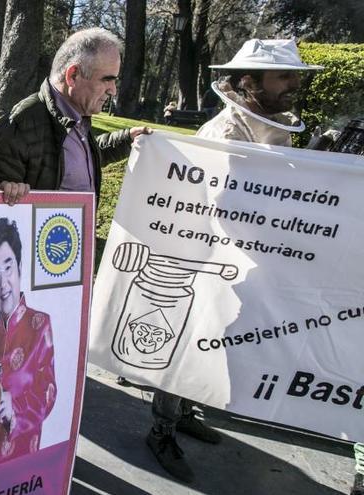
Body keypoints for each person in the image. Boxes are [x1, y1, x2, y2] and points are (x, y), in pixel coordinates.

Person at [146, 38, 324, 484]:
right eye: (284, 75)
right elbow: (226, 209)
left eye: (294, 74)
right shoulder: (226, 134)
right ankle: (161, 429)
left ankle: (185, 411)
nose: (294, 83)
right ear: (250, 81)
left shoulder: (275, 126)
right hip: (207, 260)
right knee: (187, 346)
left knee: (211, 346)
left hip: (246, 265)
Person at [0, 27, 151, 205]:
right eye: (107, 79)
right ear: (73, 75)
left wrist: (127, 139)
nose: (113, 90)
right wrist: (6, 191)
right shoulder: (19, 125)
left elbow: (78, 159)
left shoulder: (75, 115)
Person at [0, 218, 56, 465]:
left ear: (20, 268)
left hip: (23, 470)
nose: (2, 284)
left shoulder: (40, 324)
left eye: (8, 268)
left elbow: (48, 391)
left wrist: (16, 408)